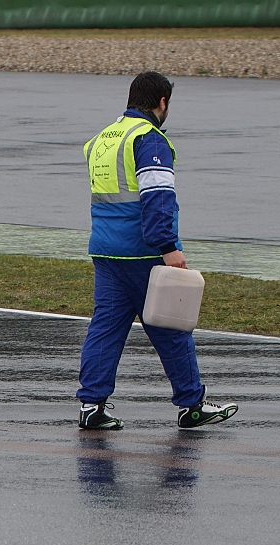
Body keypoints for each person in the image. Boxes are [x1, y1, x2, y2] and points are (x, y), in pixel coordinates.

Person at [77, 71, 238, 431]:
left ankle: (91, 405)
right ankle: (191, 404)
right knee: (171, 327)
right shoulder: (149, 140)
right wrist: (167, 246)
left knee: (105, 328)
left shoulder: (103, 138)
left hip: (105, 249)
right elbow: (157, 198)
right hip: (143, 252)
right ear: (161, 102)